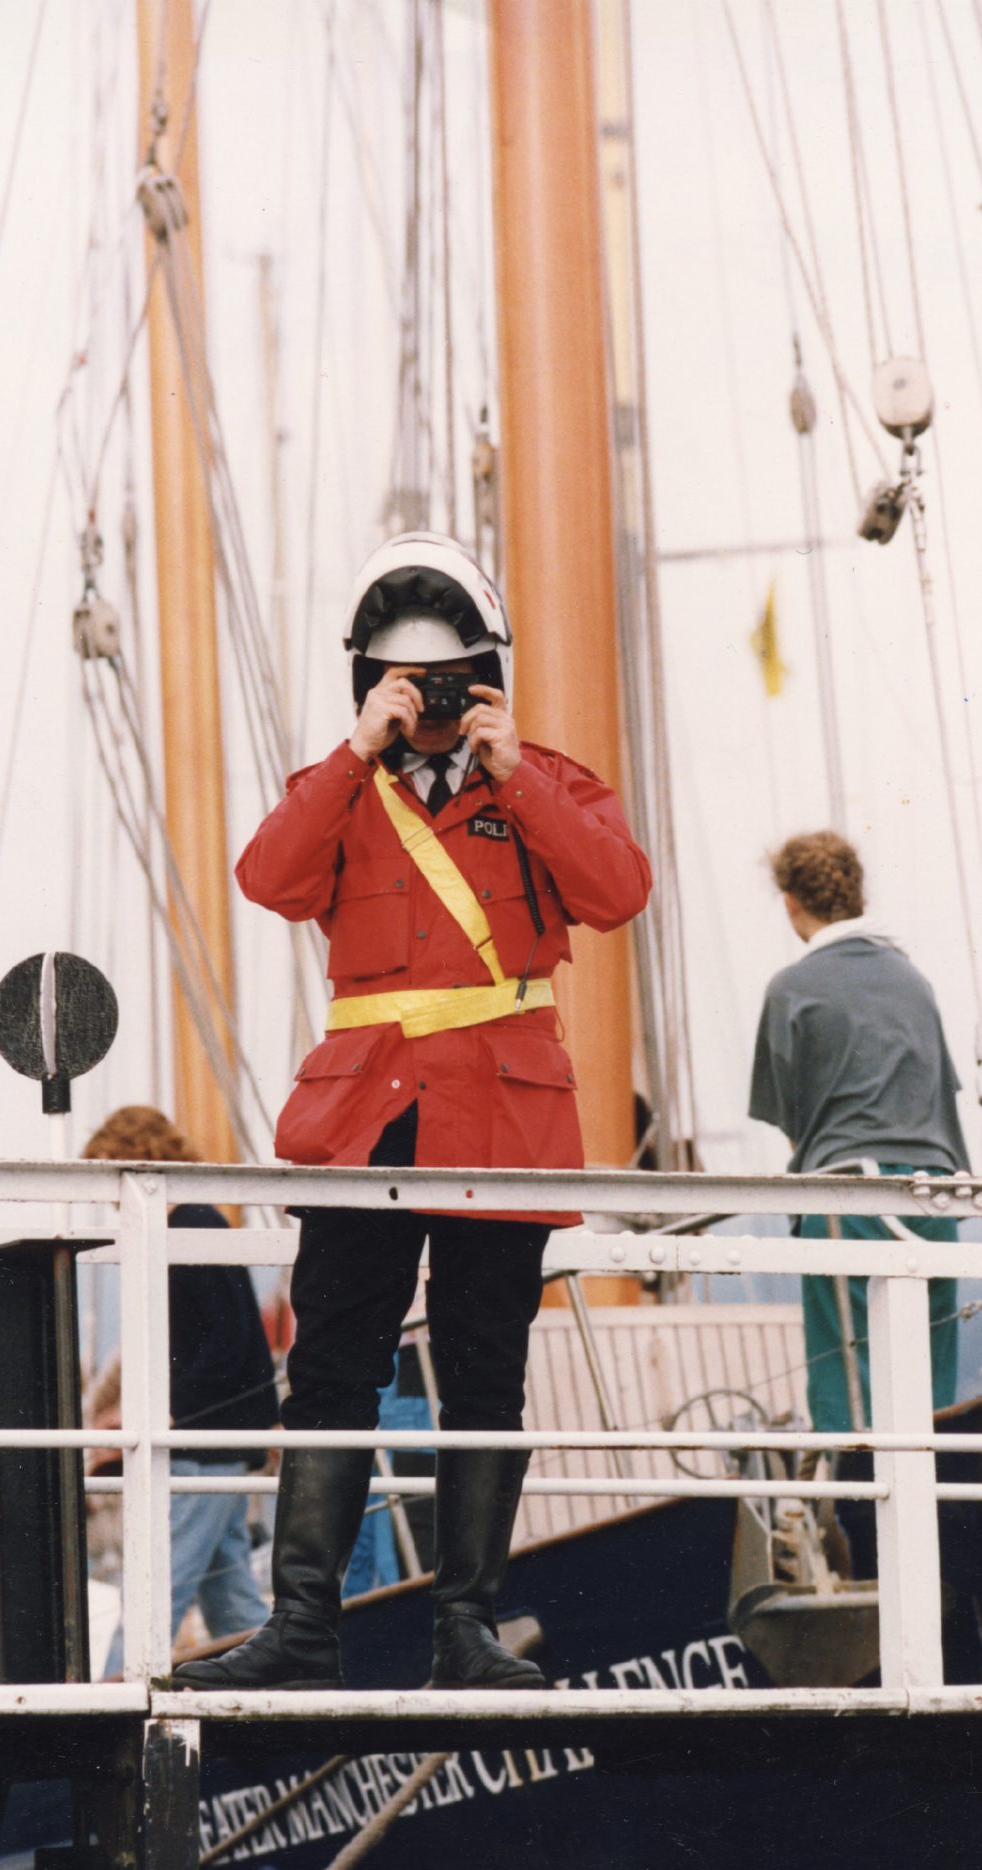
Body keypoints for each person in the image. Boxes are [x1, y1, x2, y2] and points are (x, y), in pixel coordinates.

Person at [175, 531, 650, 1692]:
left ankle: (466, 1629)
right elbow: (269, 879)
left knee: (486, 1374)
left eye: (450, 681)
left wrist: (513, 770)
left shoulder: (546, 778)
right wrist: (356, 748)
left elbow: (615, 889)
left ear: (486, 672)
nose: (433, 704)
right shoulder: (337, 789)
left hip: (503, 1112)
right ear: (371, 680)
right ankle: (302, 1629)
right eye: (410, 682)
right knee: (335, 1369)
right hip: (371, 1115)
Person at [748, 831, 970, 1436]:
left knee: (848, 1388)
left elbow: (795, 1124)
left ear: (791, 900)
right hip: (933, 1198)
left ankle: (858, 1513)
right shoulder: (913, 981)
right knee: (930, 1394)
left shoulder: (792, 988)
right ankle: (937, 1516)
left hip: (847, 1194)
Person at [82, 1106, 280, 1669]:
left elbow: (229, 1340)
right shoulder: (192, 1226)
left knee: (157, 1584)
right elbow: (230, 1337)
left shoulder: (192, 1226)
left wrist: (173, 1412)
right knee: (230, 1592)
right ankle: (274, 1690)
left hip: (203, 1442)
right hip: (216, 1439)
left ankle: (117, 1694)